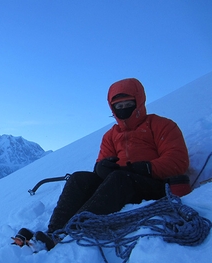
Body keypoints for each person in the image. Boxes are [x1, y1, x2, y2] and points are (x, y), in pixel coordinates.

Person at [46, 78, 189, 235]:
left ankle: (77, 230)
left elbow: (178, 161)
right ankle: (54, 231)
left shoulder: (162, 126)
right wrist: (102, 168)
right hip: (120, 185)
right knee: (78, 179)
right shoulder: (111, 136)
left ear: (139, 102)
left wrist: (146, 168)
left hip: (155, 185)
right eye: (119, 106)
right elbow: (102, 162)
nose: (123, 109)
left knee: (120, 178)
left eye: (128, 105)